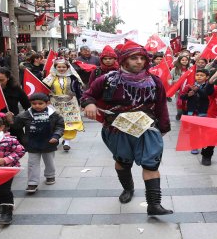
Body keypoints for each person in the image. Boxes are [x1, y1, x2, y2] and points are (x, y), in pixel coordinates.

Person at [81, 40, 173, 215]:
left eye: (142, 58)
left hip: (147, 128)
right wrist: (89, 104)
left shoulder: (154, 81)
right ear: (124, 60)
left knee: (151, 164)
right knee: (123, 162)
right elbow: (87, 95)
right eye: (134, 58)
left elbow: (161, 105)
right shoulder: (108, 80)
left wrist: (163, 128)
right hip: (117, 129)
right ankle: (128, 189)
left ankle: (154, 204)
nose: (139, 62)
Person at [9, 93, 64, 193]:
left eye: (40, 103)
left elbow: (60, 126)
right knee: (32, 164)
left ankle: (50, 175)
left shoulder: (54, 115)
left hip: (49, 142)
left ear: (47, 103)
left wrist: (56, 136)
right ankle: (32, 183)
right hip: (32, 143)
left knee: (49, 161)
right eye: (34, 104)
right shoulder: (25, 115)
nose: (37, 106)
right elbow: (16, 126)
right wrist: (10, 119)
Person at [43, 58, 83, 151]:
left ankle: (67, 141)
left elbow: (78, 91)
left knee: (69, 121)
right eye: (59, 67)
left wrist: (82, 103)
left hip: (70, 102)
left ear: (67, 67)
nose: (61, 68)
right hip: (54, 102)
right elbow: (44, 90)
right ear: (55, 67)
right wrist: (46, 100)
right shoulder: (49, 78)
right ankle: (56, 138)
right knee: (55, 121)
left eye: (63, 67)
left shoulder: (73, 78)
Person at [180, 69, 210, 155]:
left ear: (207, 77)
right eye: (197, 75)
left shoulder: (208, 86)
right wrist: (187, 95)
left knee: (204, 130)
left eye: (202, 75)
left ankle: (204, 145)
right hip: (192, 111)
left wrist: (197, 90)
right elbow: (182, 97)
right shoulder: (189, 85)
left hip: (203, 111)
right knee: (194, 130)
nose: (199, 77)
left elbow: (206, 96)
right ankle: (194, 146)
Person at [170, 55, 190, 120]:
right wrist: (174, 82)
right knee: (179, 102)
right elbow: (169, 79)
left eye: (186, 60)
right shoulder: (174, 69)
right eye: (183, 60)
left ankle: (185, 113)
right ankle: (179, 113)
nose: (184, 61)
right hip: (178, 90)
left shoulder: (190, 69)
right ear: (179, 61)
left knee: (186, 103)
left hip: (188, 90)